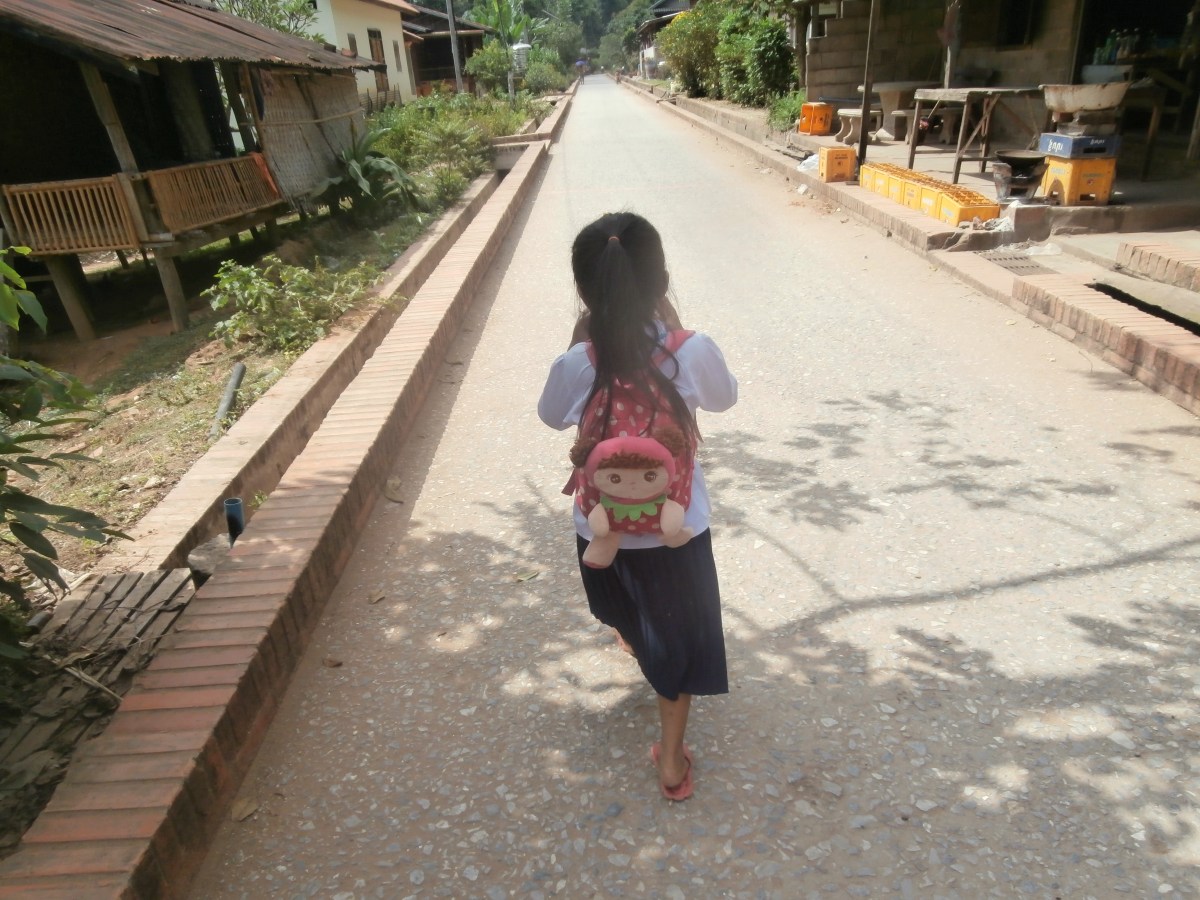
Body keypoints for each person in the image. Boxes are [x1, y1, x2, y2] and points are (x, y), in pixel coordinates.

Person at [538, 212, 738, 801]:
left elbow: (550, 416)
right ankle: (671, 762)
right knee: (677, 640)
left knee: (620, 607)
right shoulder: (691, 351)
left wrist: (579, 346)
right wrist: (676, 334)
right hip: (677, 529)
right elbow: (724, 400)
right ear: (661, 281)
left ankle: (635, 638)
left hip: (601, 527)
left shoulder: (579, 362)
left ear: (584, 291)